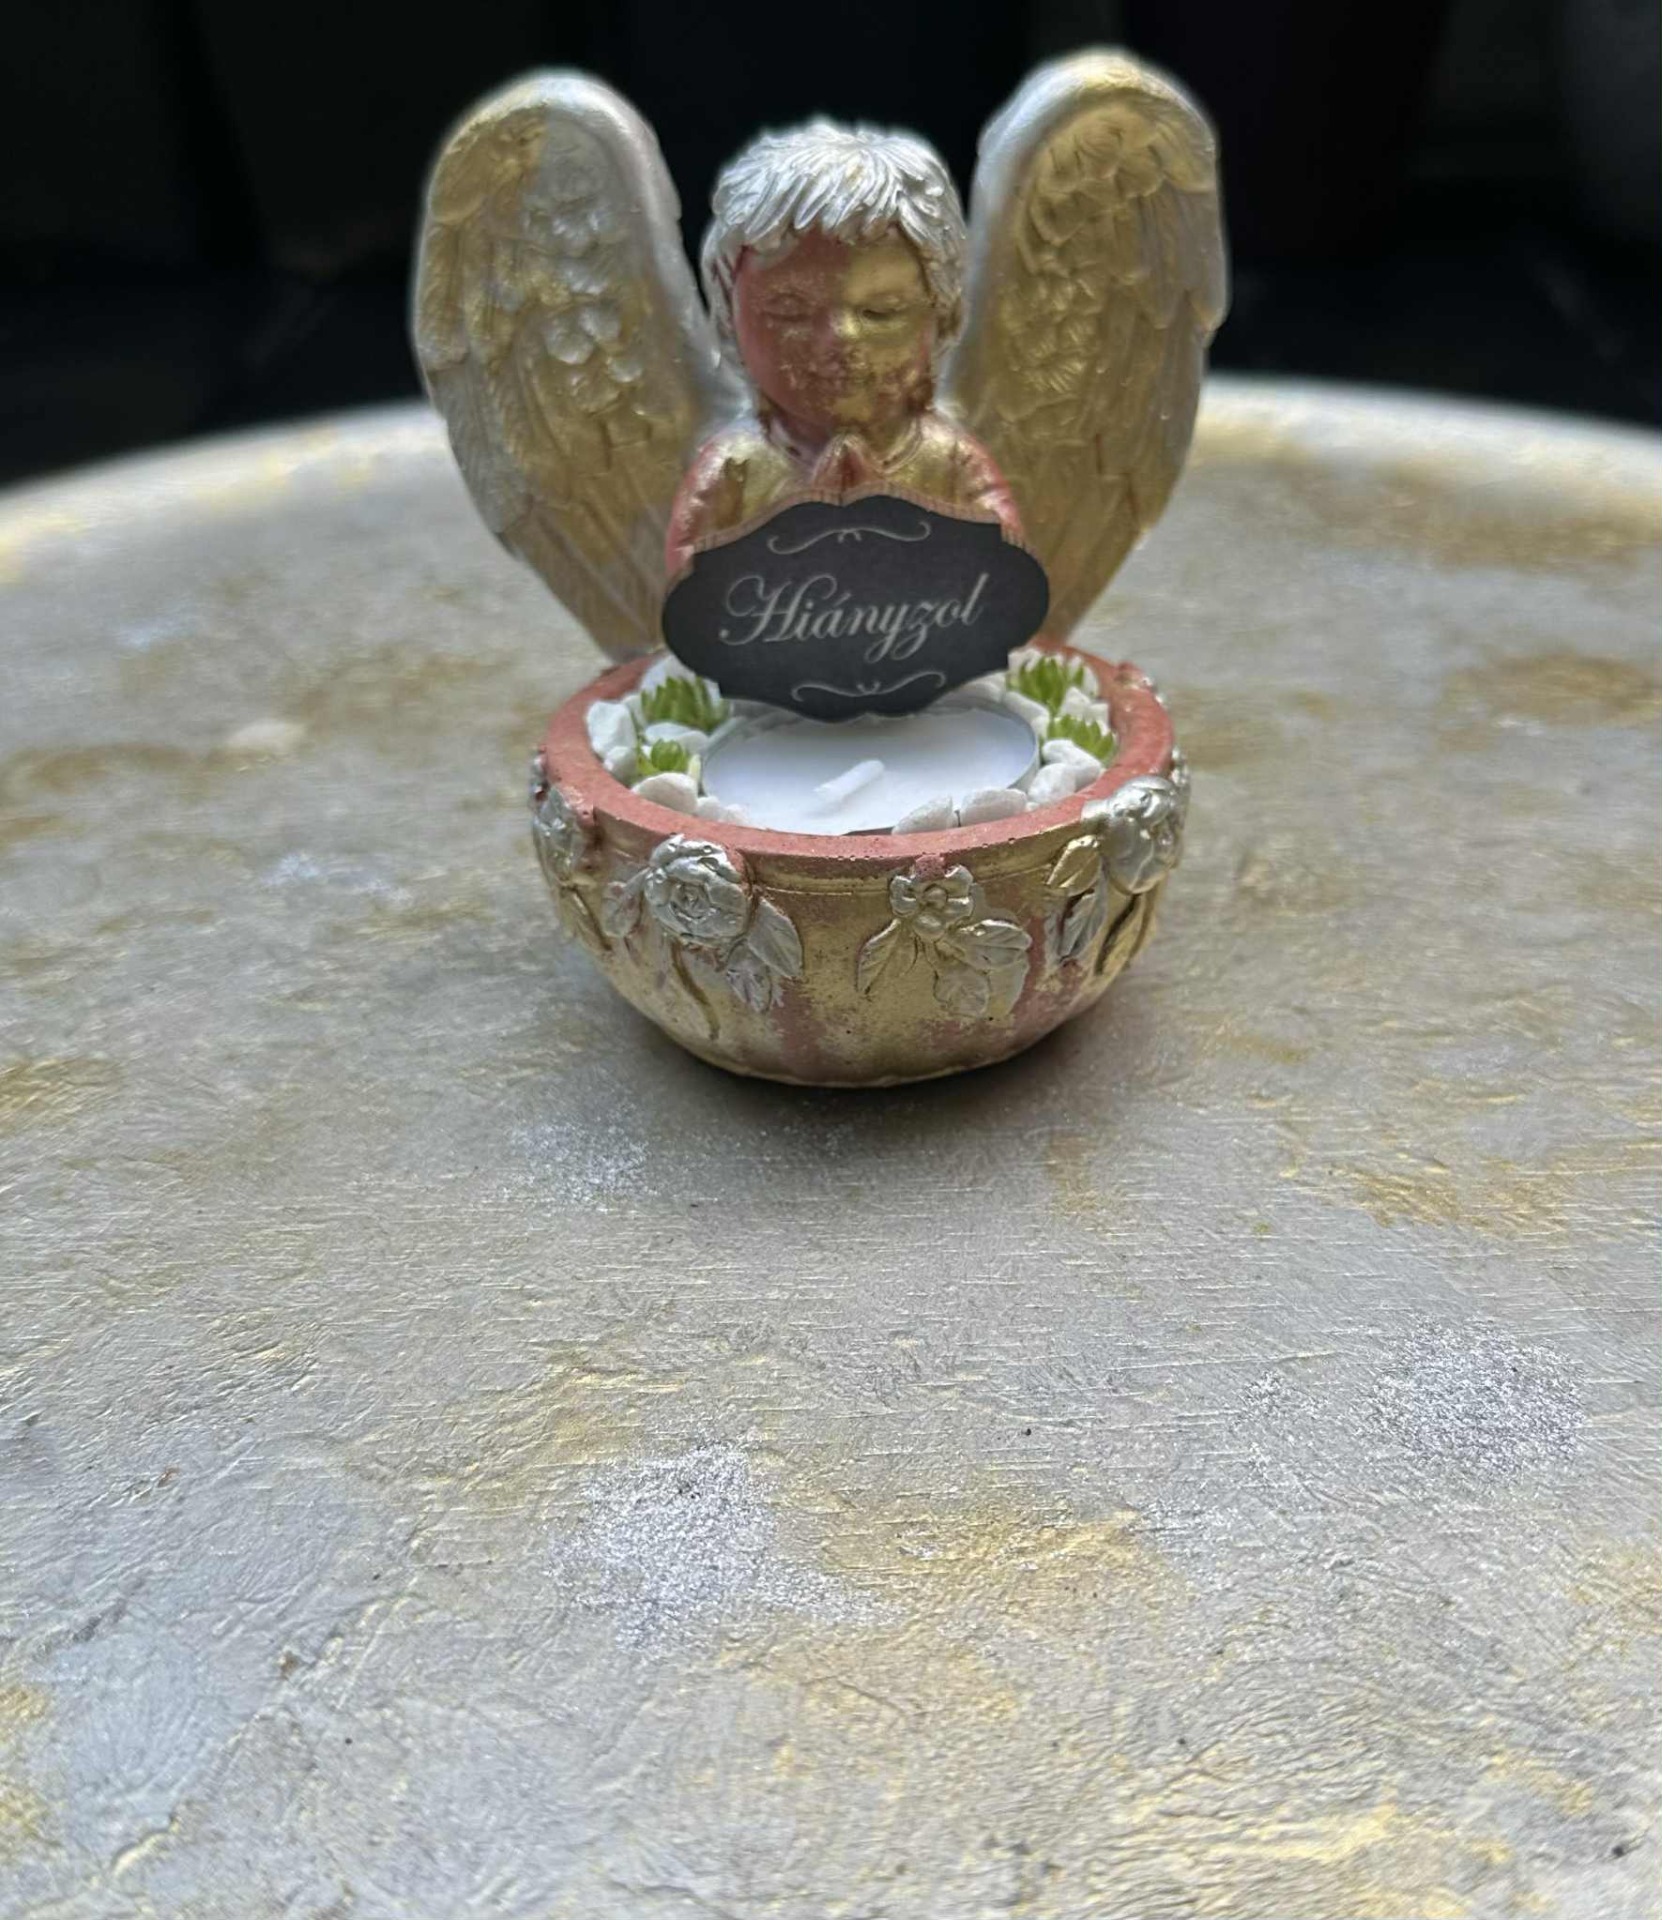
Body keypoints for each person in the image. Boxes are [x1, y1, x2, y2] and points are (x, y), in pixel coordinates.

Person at [666, 119, 1022, 576]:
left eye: (881, 312)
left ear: (945, 318)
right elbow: (691, 584)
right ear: (728, 322)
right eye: (789, 312)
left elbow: (1003, 567)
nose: (840, 339)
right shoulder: (737, 467)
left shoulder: (948, 461)